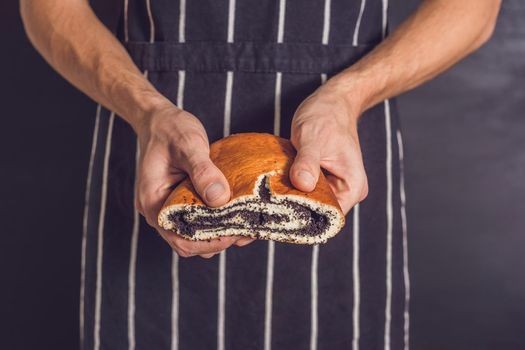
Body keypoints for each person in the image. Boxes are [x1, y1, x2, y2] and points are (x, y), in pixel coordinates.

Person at [21, 0, 500, 349]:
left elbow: (474, 9)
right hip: (157, 141)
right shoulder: (149, 119)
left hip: (333, 151)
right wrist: (146, 112)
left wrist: (351, 94)